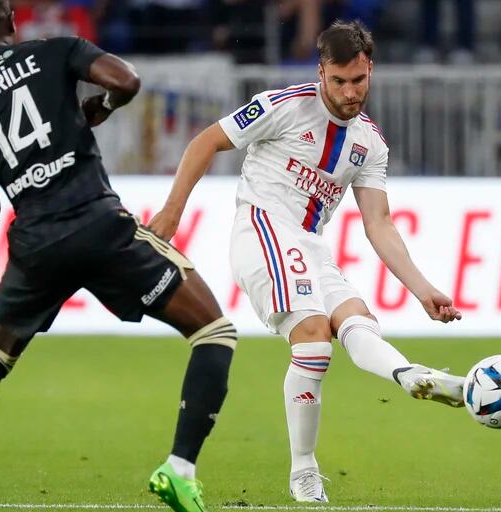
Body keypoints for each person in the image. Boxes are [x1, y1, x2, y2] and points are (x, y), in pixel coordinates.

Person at [0, 1, 236, 511]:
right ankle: (180, 468)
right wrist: (99, 108)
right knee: (214, 332)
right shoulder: (54, 52)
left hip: (36, 246)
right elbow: (126, 81)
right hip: (99, 226)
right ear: (11, 19)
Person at [149, 19, 464, 503]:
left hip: (309, 244)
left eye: (358, 80)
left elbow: (378, 222)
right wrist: (171, 212)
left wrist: (422, 290)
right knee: (315, 335)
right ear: (321, 72)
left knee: (357, 323)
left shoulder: (369, 143)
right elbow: (205, 141)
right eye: (338, 81)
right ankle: (304, 471)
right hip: (262, 228)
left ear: (370, 69)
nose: (349, 91)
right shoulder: (284, 106)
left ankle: (411, 376)